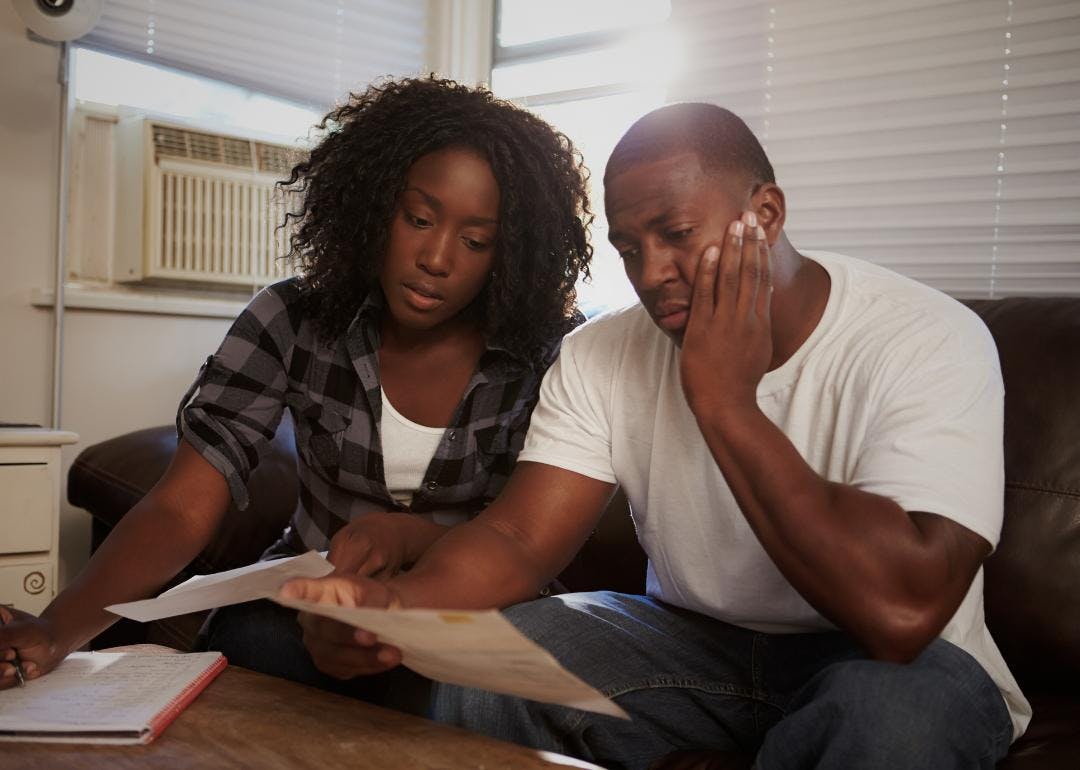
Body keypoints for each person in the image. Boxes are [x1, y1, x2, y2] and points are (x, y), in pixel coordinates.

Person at [279, 102, 1030, 769]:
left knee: (895, 719)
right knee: (490, 665)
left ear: (765, 214)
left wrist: (727, 403)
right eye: (629, 248)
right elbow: (516, 540)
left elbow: (901, 615)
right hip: (694, 649)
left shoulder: (925, 336)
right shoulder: (602, 351)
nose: (652, 272)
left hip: (890, 664)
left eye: (676, 234)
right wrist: (392, 615)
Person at [0, 76, 593, 708]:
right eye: (418, 219)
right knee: (243, 638)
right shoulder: (291, 319)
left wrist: (404, 564)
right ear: (373, 207)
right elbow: (182, 506)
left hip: (477, 620)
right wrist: (57, 631)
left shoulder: (550, 354)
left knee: (480, 684)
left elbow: (522, 536)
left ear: (512, 254)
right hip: (315, 615)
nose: (437, 258)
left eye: (476, 241)